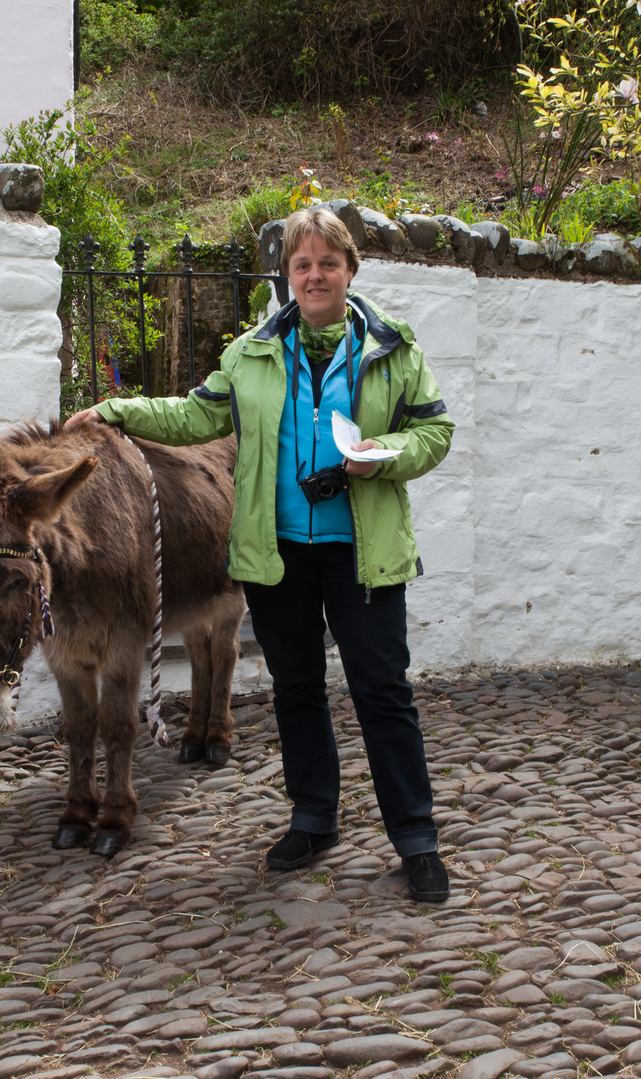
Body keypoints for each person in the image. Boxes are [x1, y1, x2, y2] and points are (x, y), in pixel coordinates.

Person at [66, 206, 455, 902]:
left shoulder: (393, 350)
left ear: (349, 271)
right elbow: (195, 416)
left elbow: (436, 434)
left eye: (327, 264)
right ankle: (313, 818)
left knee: (384, 696)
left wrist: (382, 456)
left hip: (363, 553)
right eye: (301, 265)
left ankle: (416, 838)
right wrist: (117, 412)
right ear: (287, 277)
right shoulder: (251, 355)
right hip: (278, 557)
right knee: (297, 690)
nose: (315, 276)